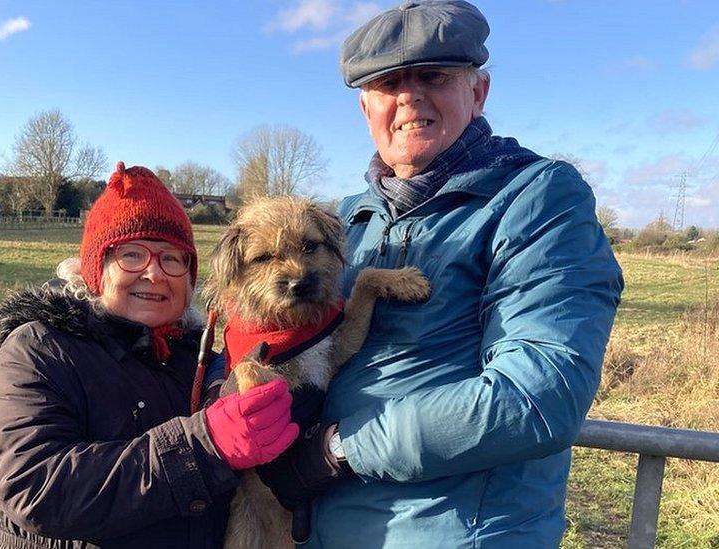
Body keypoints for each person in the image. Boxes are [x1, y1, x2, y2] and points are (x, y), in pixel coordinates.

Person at [256, 1, 625, 547]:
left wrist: (337, 451)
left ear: (478, 92)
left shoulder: (537, 199)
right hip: (316, 528)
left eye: (434, 76)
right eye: (386, 83)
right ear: (366, 108)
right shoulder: (345, 219)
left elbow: (540, 395)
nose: (408, 96)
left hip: (452, 533)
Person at [0, 162, 299, 548]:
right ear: (97, 269)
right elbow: (37, 486)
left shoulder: (198, 361)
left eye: (172, 258)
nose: (155, 274)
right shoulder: (41, 349)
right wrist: (205, 444)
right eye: (132, 255)